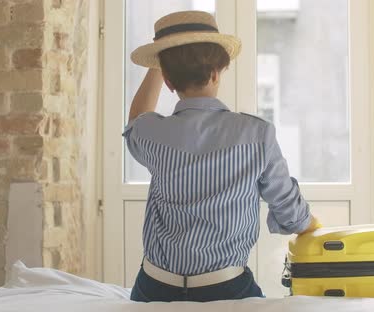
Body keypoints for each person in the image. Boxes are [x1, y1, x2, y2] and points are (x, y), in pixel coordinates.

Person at [125, 10, 321, 303]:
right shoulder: (257, 135)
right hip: (225, 288)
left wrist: (162, 59)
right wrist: (312, 224)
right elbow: (290, 212)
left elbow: (137, 118)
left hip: (156, 288)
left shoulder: (152, 133)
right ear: (216, 73)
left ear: (167, 80)